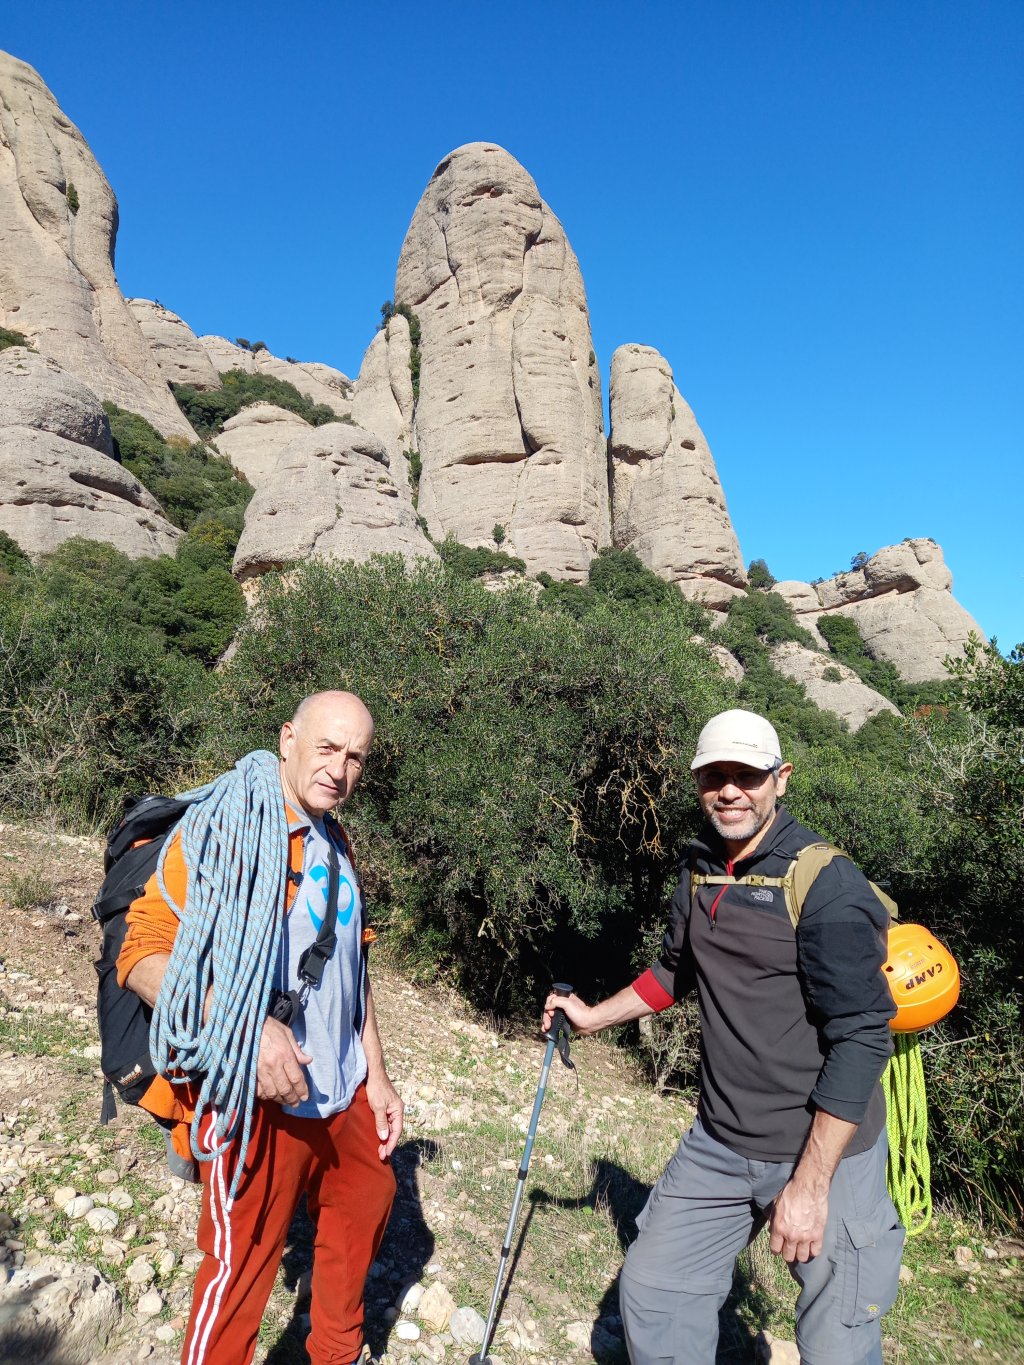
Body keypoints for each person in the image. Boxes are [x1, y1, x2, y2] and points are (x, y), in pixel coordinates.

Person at [544, 708, 904, 1365]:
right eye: (716, 775)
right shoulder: (702, 868)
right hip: (721, 1139)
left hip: (826, 1154)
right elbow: (675, 970)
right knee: (655, 1288)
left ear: (780, 778)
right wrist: (594, 1015)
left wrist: (810, 1184)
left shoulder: (827, 885)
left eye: (748, 774)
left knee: (837, 1340)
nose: (731, 789)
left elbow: (861, 1039)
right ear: (699, 781)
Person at [117, 691, 403, 1365]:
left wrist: (379, 1073)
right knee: (240, 1263)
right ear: (287, 738)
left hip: (343, 1085)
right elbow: (142, 955)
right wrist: (243, 1022)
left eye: (355, 756)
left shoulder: (336, 839)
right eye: (327, 747)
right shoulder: (227, 827)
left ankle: (336, 1352)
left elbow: (351, 966)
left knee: (365, 1203)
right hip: (254, 1092)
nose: (339, 768)